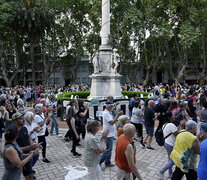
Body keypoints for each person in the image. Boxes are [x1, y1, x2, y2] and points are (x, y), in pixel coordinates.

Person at [157, 111, 185, 180]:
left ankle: (170, 173)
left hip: (166, 143)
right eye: (172, 115)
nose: (174, 117)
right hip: (171, 144)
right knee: (174, 160)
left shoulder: (166, 124)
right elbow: (178, 134)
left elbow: (174, 130)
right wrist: (181, 126)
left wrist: (179, 126)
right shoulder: (171, 125)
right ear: (170, 117)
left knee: (170, 159)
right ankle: (161, 171)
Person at [13, 112, 41, 180]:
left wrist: (32, 143)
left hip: (29, 150)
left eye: (23, 118)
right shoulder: (13, 132)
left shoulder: (23, 128)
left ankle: (29, 170)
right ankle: (27, 172)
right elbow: (16, 149)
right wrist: (30, 147)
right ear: (15, 121)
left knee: (36, 155)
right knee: (28, 174)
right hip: (22, 154)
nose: (23, 120)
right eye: (20, 119)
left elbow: (26, 137)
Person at [99, 101, 123, 167]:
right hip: (108, 134)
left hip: (110, 133)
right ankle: (99, 162)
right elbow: (112, 122)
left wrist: (115, 105)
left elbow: (112, 109)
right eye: (111, 106)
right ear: (108, 106)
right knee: (108, 149)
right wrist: (118, 115)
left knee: (109, 149)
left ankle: (107, 162)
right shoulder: (106, 113)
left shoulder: (108, 111)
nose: (112, 107)